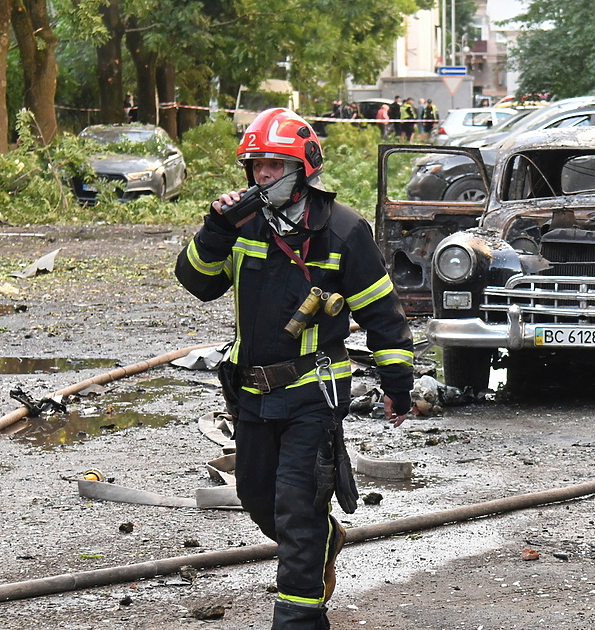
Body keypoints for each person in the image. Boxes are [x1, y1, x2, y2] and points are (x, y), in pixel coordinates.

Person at [175, 107, 416, 630]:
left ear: (302, 169)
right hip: (253, 394)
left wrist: (397, 383)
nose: (261, 176)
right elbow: (196, 282)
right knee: (256, 495)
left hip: (313, 394)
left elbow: (381, 312)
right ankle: (324, 541)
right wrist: (215, 228)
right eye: (255, 166)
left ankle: (298, 620)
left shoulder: (345, 231)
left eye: (272, 166)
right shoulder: (240, 224)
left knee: (298, 510)